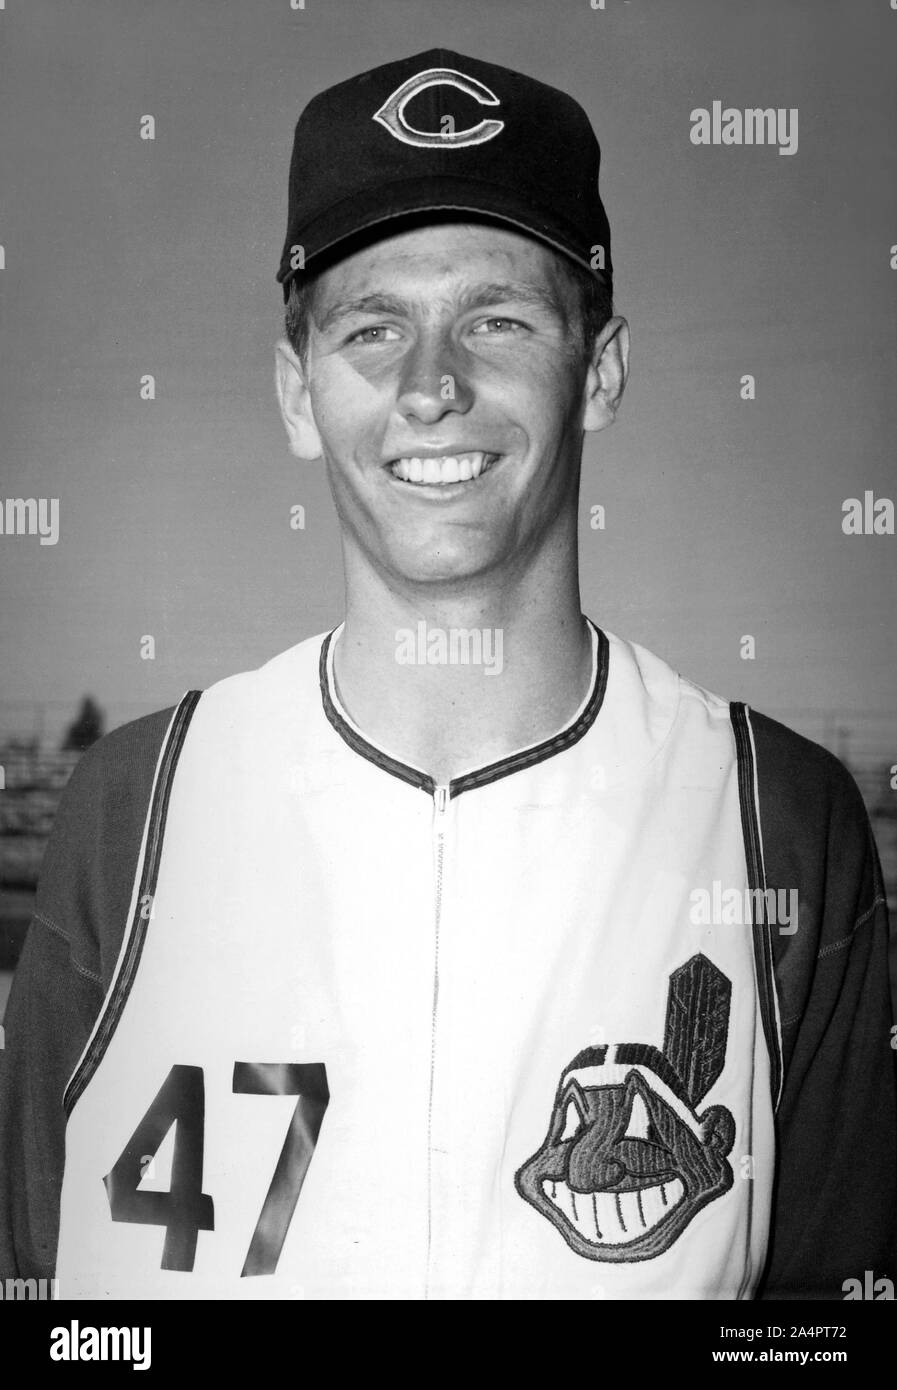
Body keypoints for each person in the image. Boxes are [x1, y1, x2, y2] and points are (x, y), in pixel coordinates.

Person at [0, 48, 893, 1300]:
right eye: (373, 328)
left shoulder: (778, 822)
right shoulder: (134, 808)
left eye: (498, 319)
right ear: (296, 392)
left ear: (604, 370)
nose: (432, 385)